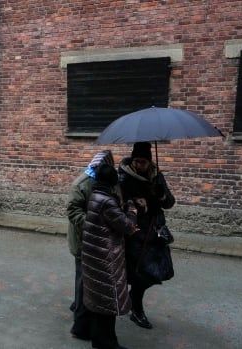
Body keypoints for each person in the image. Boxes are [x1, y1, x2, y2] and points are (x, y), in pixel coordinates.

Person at [118, 142, 175, 330]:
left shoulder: (156, 176)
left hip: (153, 232)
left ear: (149, 161)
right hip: (133, 233)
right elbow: (116, 203)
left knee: (153, 273)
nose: (138, 165)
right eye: (136, 161)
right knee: (134, 273)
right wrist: (133, 202)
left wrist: (160, 195)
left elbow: (169, 203)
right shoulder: (124, 176)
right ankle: (135, 308)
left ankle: (133, 300)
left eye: (143, 161)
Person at [82, 164, 138, 349]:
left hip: (94, 256)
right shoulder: (107, 201)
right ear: (112, 181)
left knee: (99, 300)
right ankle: (107, 342)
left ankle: (100, 339)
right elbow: (128, 227)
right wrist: (132, 210)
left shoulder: (95, 196)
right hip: (106, 259)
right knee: (108, 300)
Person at [66, 150, 115, 341]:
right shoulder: (82, 184)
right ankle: (80, 326)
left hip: (99, 242)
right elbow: (73, 211)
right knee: (83, 284)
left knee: (93, 284)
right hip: (83, 241)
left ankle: (91, 320)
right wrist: (93, 224)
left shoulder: (108, 181)